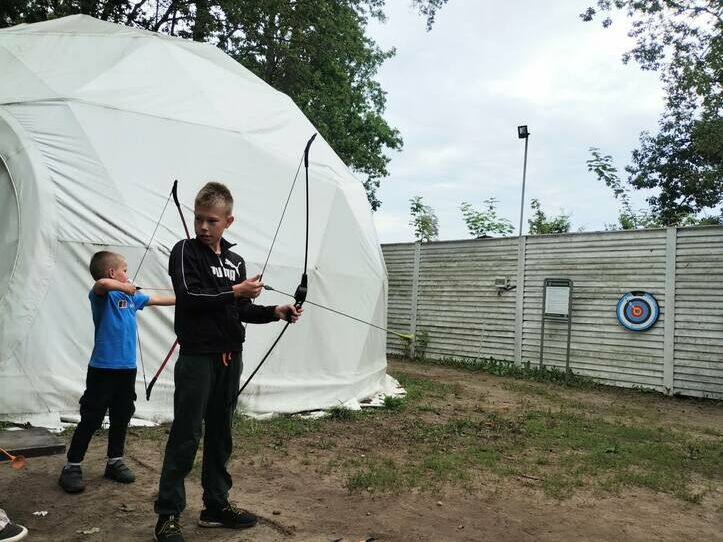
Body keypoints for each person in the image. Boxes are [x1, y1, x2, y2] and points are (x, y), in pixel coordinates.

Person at [153, 182, 302, 542]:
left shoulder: (235, 262)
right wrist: (235, 291)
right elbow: (190, 296)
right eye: (199, 219)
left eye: (212, 221)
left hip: (229, 357)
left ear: (228, 221)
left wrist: (276, 311)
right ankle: (168, 514)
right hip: (197, 358)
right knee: (186, 433)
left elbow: (240, 309)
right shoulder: (184, 251)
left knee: (221, 433)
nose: (203, 227)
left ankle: (216, 505)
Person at [59, 251, 175, 494]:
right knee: (92, 417)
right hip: (102, 369)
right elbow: (101, 284)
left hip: (127, 370)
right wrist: (126, 288)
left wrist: (186, 297)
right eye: (124, 270)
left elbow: (159, 299)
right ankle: (72, 466)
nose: (127, 274)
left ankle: (114, 461)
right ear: (112, 272)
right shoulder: (103, 296)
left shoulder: (132, 298)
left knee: (122, 415)